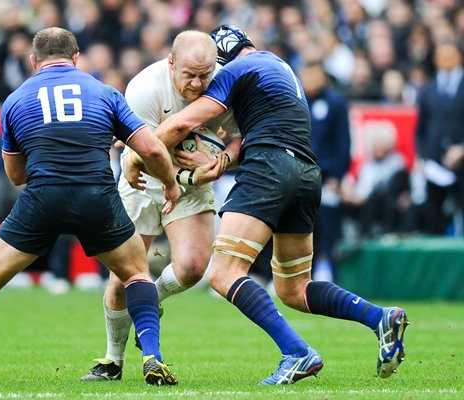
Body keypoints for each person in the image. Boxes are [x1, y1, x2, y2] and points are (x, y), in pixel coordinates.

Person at [0, 27, 180, 387]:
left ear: (33, 61)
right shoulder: (104, 92)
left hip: (42, 197)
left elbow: (15, 176)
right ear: (77, 58)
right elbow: (153, 149)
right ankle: (153, 356)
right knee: (137, 274)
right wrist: (170, 185)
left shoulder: (15, 100)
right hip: (97, 197)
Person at [145, 24, 409, 384]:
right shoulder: (281, 67)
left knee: (223, 273)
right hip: (305, 172)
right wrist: (221, 160)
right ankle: (380, 317)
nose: (205, 81)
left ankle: (297, 352)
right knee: (294, 288)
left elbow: (182, 124)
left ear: (220, 59)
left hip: (270, 167)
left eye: (209, 72)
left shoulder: (236, 70)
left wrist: (135, 152)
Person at [81, 30, 241, 381]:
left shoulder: (224, 84)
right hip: (144, 180)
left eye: (206, 73)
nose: (199, 83)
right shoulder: (144, 88)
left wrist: (222, 161)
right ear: (171, 63)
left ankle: (149, 302)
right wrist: (183, 178)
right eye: (190, 74)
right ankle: (112, 361)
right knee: (124, 277)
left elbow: (238, 137)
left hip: (191, 178)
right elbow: (149, 152)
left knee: (193, 267)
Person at [299, 61, 351, 282]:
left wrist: (338, 177)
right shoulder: (296, 100)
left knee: (329, 229)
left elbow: (343, 143)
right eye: (307, 75)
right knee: (302, 228)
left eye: (314, 76)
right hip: (299, 176)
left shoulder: (336, 102)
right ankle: (301, 277)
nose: (310, 80)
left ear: (323, 77)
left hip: (326, 178)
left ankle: (334, 275)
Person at [415, 39, 464, 235]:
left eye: (449, 55)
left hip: (461, 162)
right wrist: (421, 156)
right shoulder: (428, 88)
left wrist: (462, 149)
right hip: (434, 163)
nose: (445, 60)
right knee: (433, 216)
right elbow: (421, 128)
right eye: (441, 56)